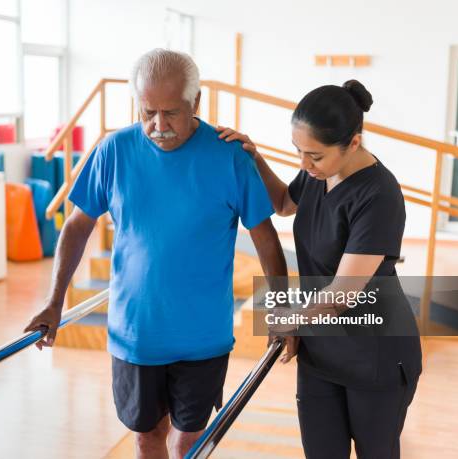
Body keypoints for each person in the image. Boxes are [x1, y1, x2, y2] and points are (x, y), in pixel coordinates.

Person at [23, 49, 297, 459]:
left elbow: (267, 240)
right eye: (148, 111)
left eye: (171, 113)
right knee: (147, 438)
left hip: (203, 338)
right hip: (137, 335)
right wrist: (54, 300)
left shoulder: (229, 156)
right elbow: (78, 225)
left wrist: (282, 309)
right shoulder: (113, 151)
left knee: (190, 441)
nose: (158, 125)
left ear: (197, 104)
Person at [217, 80, 422, 459]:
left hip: (374, 354)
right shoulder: (319, 174)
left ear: (354, 144)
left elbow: (344, 291)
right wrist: (253, 156)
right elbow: (282, 203)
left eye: (314, 155)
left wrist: (288, 318)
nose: (304, 164)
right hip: (321, 352)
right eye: (298, 152)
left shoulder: (379, 195)